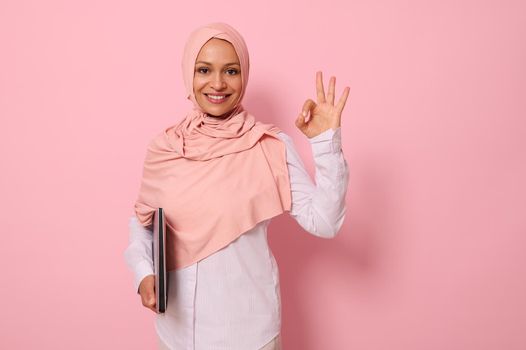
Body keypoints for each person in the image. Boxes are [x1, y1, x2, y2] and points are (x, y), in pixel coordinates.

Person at [124, 22, 350, 350]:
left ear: (244, 74)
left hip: (249, 333)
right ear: (189, 72)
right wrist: (144, 272)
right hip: (176, 334)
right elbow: (144, 223)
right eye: (204, 69)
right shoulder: (166, 148)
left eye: (231, 71)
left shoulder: (270, 145)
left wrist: (326, 144)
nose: (217, 83)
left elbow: (325, 222)